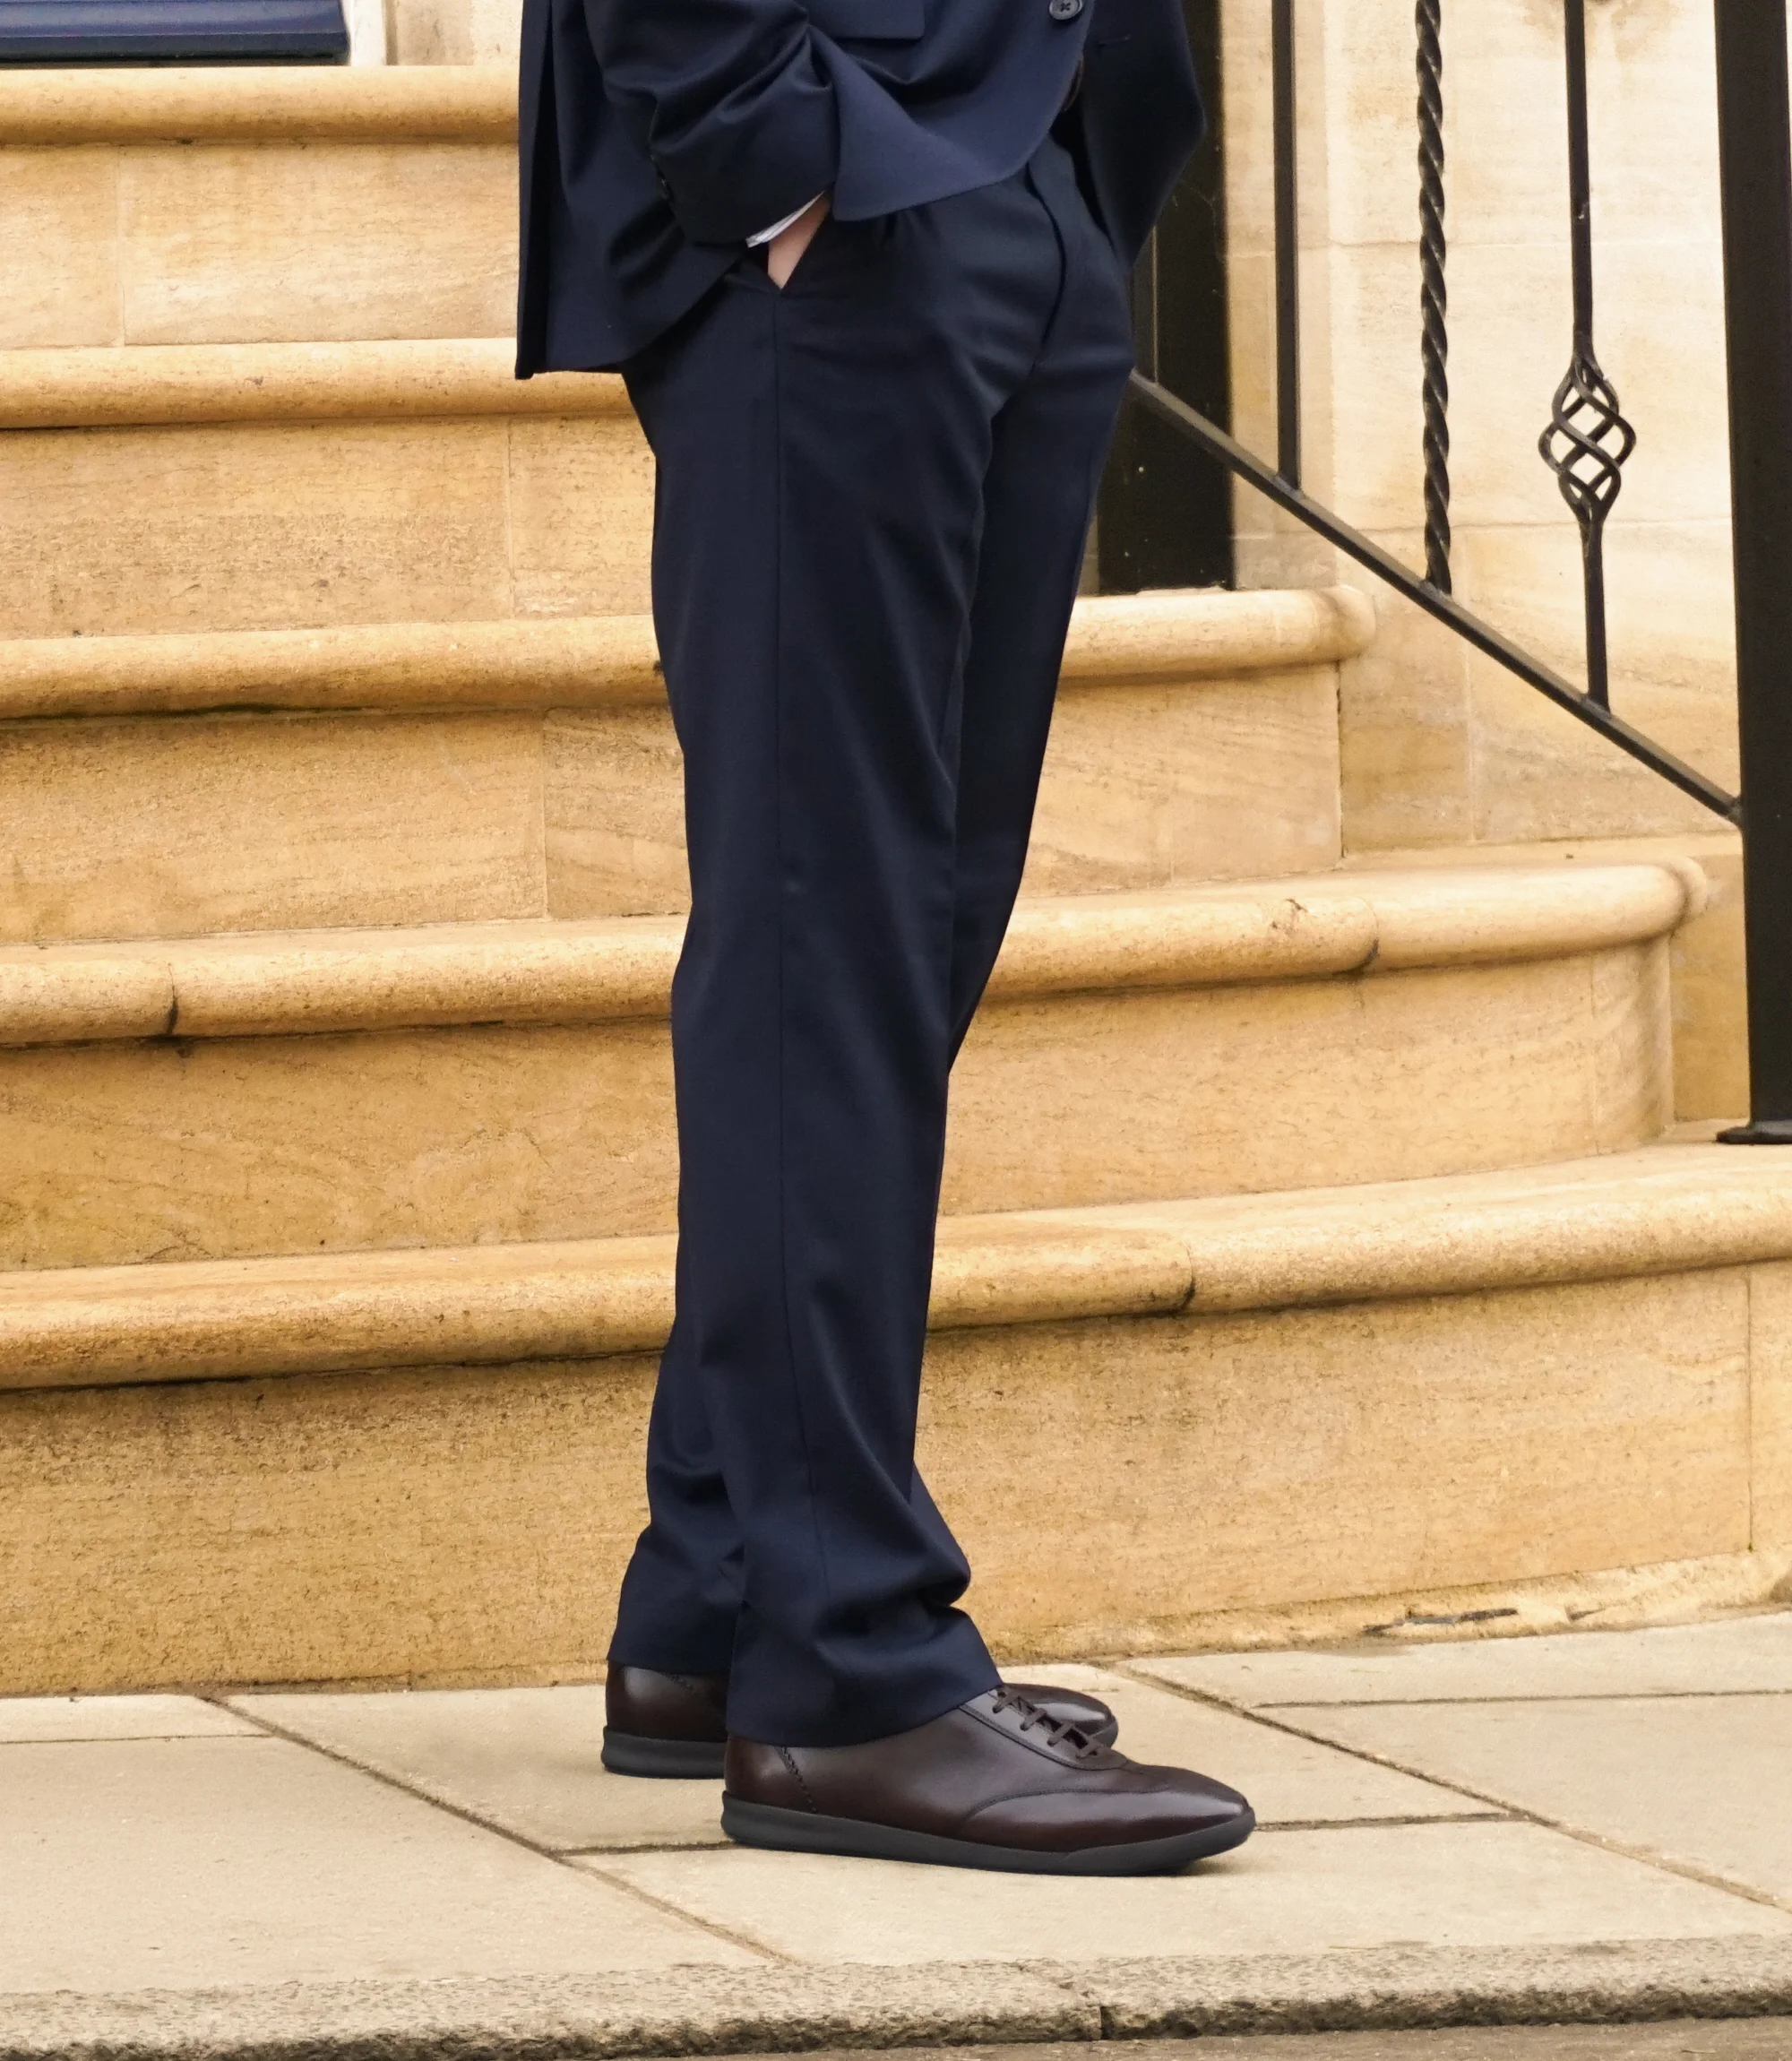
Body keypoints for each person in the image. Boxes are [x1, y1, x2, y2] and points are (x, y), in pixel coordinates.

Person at [516, 0, 1255, 1876]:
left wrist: (1061, 159)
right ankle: (844, 1675)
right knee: (817, 946)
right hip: (827, 196)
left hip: (1004, 167)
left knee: (902, 944)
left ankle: (718, 1598)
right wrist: (767, 141)